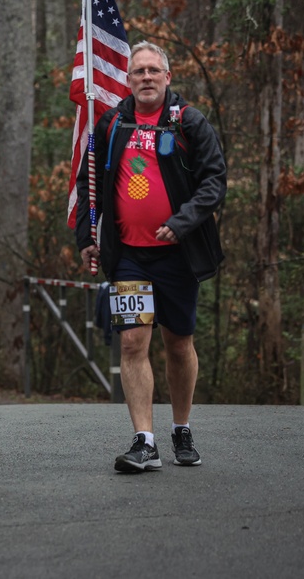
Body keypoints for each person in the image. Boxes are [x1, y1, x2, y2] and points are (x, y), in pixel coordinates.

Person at [75, 40, 227, 473]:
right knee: (131, 342)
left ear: (167, 77)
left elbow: (214, 182)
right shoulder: (111, 124)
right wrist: (86, 236)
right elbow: (92, 188)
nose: (145, 78)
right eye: (138, 71)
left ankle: (181, 427)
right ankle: (145, 440)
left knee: (178, 344)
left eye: (152, 71)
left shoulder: (188, 122)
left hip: (178, 256)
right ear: (128, 78)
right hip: (128, 257)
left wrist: (182, 222)